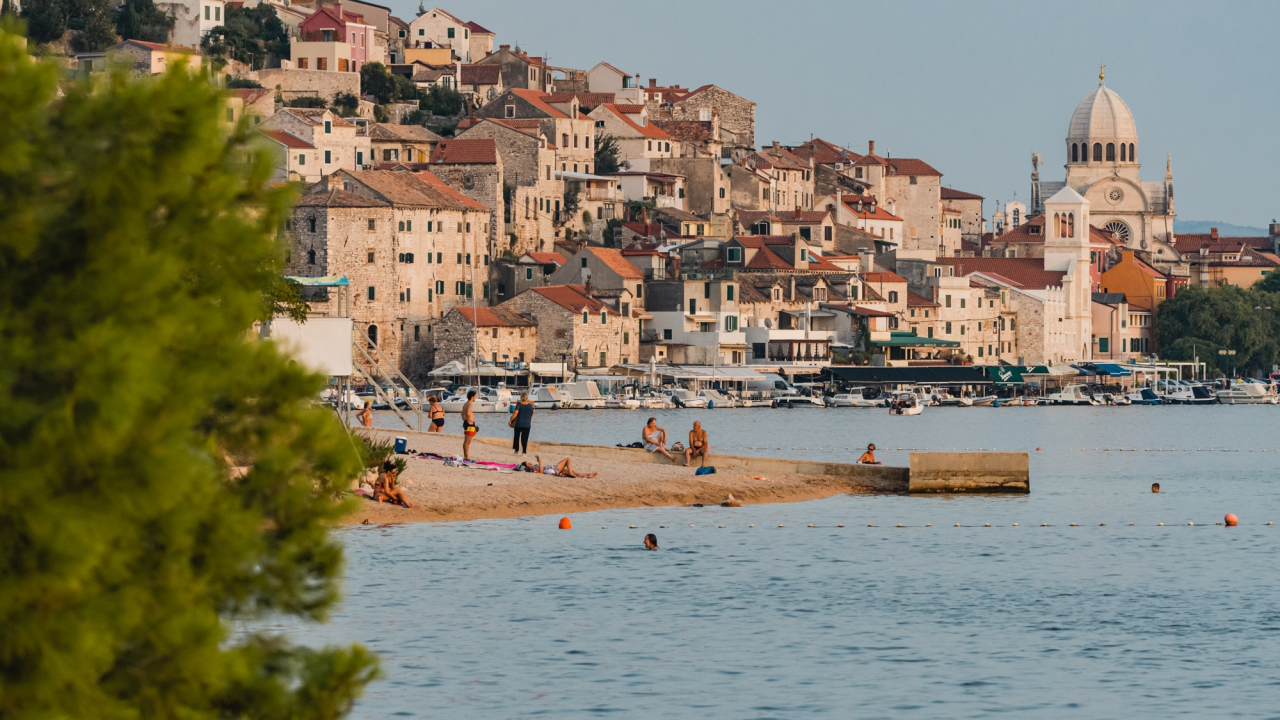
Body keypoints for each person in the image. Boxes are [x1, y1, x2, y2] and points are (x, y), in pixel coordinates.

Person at [528, 455, 598, 479]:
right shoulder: (533, 468)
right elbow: (540, 472)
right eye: (527, 463)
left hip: (554, 468)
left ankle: (588, 476)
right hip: (554, 469)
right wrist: (540, 462)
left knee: (574, 472)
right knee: (568, 459)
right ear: (527, 466)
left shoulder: (534, 467)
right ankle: (570, 474)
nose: (529, 463)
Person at [461, 390, 478, 460]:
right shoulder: (470, 405)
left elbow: (462, 414)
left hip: (466, 423)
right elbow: (468, 413)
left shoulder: (465, 404)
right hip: (469, 424)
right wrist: (469, 421)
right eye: (475, 396)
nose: (476, 398)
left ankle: (466, 456)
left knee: (467, 441)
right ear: (472, 397)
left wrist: (465, 420)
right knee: (467, 441)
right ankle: (466, 456)